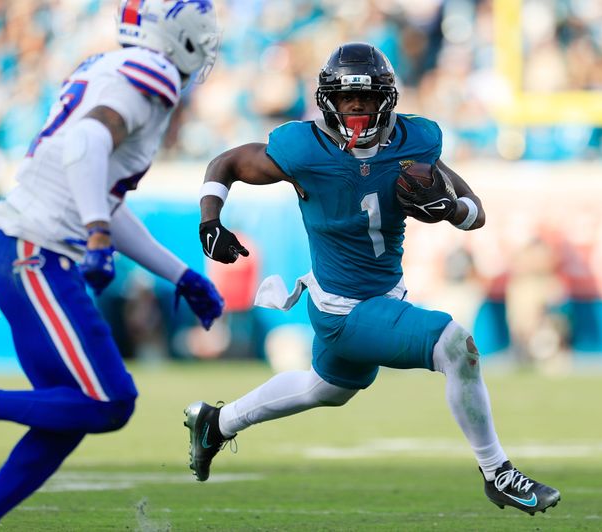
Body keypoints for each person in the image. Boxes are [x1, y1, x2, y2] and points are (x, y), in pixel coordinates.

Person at [184, 42, 561, 516]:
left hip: (371, 300)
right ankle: (497, 472)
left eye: (364, 98)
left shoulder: (414, 144)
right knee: (455, 345)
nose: (356, 107)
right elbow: (228, 163)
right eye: (346, 98)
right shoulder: (303, 147)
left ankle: (217, 423)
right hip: (345, 310)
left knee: (327, 389)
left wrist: (448, 209)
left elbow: (474, 213)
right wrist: (210, 219)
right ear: (328, 101)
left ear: (388, 100)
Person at [0, 1, 223, 530]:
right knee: (110, 401)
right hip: (34, 253)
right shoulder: (153, 74)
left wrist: (179, 273)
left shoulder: (106, 67)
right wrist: (97, 233)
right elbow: (86, 144)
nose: (209, 40)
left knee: (71, 411)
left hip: (21, 251)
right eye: (201, 28)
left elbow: (100, 189)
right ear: (171, 32)